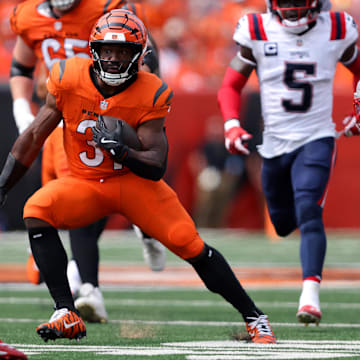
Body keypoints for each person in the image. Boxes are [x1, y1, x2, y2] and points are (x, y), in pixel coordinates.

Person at [0, 9, 276, 344]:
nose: (113, 59)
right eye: (106, 50)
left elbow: (157, 163)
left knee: (192, 246)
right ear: (93, 51)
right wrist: (4, 185)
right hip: (84, 182)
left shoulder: (152, 91)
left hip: (135, 184)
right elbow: (32, 138)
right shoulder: (67, 76)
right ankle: (65, 312)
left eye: (123, 51)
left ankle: (254, 318)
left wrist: (123, 151)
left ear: (139, 55)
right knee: (37, 209)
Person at [9, 0, 166, 323]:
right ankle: (73, 267)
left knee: (95, 186)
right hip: (57, 113)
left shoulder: (106, 8)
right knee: (67, 196)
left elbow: (145, 51)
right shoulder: (27, 15)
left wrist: (137, 98)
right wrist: (20, 109)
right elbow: (21, 68)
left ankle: (88, 286)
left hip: (102, 109)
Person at [217, 0, 360, 325]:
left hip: (317, 137)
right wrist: (231, 124)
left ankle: (310, 295)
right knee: (282, 224)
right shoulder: (257, 29)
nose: (292, 6)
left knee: (310, 209)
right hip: (275, 144)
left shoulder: (335, 28)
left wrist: (358, 108)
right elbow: (230, 84)